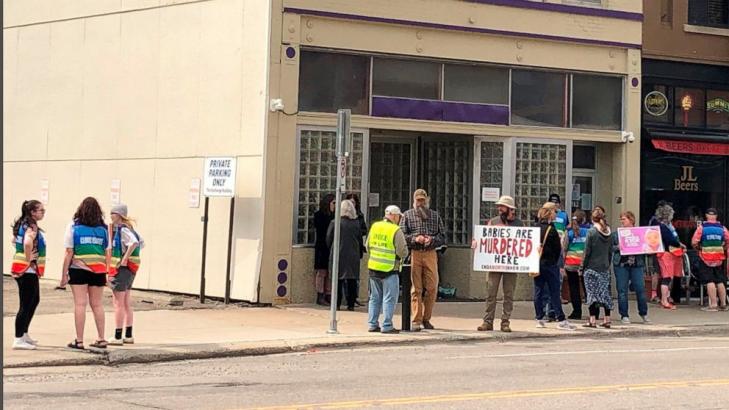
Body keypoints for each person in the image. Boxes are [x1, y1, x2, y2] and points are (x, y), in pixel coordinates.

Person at [60, 197, 111, 350]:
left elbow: (69, 252)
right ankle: (101, 338)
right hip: (98, 270)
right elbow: (107, 251)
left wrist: (63, 275)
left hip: (78, 269)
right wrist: (107, 272)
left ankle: (79, 340)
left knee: (80, 304)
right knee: (97, 304)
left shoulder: (73, 227)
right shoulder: (103, 229)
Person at [474, 196, 523, 333]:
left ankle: (505, 322)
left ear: (510, 209)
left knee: (508, 294)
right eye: (499, 206)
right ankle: (487, 321)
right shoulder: (493, 222)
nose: (499, 208)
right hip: (494, 264)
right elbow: (485, 239)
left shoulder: (519, 224)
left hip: (511, 264)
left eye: (502, 206)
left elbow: (524, 242)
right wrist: (477, 243)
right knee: (491, 292)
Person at [399, 189, 446, 331]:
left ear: (427, 201)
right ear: (414, 201)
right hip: (415, 252)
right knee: (416, 288)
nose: (421, 203)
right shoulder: (407, 215)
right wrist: (415, 239)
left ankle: (427, 318)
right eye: (418, 200)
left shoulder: (435, 216)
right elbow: (401, 235)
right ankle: (416, 319)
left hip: (430, 252)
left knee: (432, 287)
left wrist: (432, 239)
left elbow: (442, 236)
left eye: (423, 200)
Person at [10, 200, 47, 350]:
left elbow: (14, 240)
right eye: (41, 211)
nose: (43, 213)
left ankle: (24, 333)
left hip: (24, 268)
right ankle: (18, 338)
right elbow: (26, 242)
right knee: (26, 304)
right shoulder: (31, 226)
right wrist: (28, 258)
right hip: (27, 269)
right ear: (32, 212)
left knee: (34, 300)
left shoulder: (23, 223)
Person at [533, 202, 575, 330]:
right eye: (555, 212)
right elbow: (558, 249)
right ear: (550, 213)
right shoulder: (552, 230)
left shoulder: (535, 227)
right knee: (555, 291)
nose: (556, 214)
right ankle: (561, 319)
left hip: (537, 263)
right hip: (550, 264)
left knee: (538, 291)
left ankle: (539, 318)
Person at [366, 205, 408, 334]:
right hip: (390, 269)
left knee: (374, 298)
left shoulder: (375, 226)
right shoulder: (396, 230)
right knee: (389, 298)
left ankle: (372, 324)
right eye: (399, 216)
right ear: (395, 216)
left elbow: (367, 246)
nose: (399, 219)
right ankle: (387, 325)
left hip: (374, 267)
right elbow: (402, 251)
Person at [108, 204, 144, 345]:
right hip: (131, 269)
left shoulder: (122, 230)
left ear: (119, 215)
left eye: (113, 213)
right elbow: (141, 242)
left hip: (122, 269)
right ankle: (128, 334)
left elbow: (134, 243)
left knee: (118, 303)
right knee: (126, 302)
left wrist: (124, 258)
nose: (110, 216)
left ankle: (117, 336)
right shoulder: (130, 229)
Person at [612, 211, 650, 324]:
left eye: (624, 219)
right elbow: (610, 247)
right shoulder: (616, 234)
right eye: (621, 219)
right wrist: (617, 247)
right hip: (621, 265)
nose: (622, 221)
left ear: (631, 220)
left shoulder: (640, 233)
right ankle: (624, 315)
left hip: (636, 264)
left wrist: (647, 247)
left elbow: (647, 247)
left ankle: (643, 313)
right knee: (622, 290)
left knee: (640, 289)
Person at [581, 207, 614, 328]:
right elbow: (610, 251)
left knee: (592, 294)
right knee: (605, 293)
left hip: (591, 268)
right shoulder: (609, 232)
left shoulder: (591, 232)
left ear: (592, 219)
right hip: (604, 267)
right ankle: (607, 319)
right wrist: (607, 264)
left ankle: (592, 320)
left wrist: (581, 267)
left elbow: (587, 252)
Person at [326, 199, 361, 311]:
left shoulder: (335, 222)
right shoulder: (356, 223)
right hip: (353, 254)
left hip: (338, 253)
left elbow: (328, 238)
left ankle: (336, 304)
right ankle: (351, 304)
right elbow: (360, 239)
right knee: (352, 280)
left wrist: (332, 248)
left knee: (337, 281)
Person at [691, 208, 729, 312]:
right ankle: (724, 304)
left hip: (706, 257)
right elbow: (727, 240)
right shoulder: (722, 228)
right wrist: (723, 248)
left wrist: (699, 248)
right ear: (716, 216)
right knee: (720, 280)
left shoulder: (701, 228)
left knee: (709, 280)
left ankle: (713, 305)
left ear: (706, 216)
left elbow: (694, 242)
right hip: (719, 258)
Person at [655, 204, 685, 310]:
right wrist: (679, 244)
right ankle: (664, 300)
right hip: (666, 254)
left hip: (671, 253)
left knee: (669, 277)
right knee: (666, 277)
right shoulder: (663, 227)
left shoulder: (667, 226)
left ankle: (667, 298)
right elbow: (670, 240)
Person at [563, 210, 589, 320]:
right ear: (583, 219)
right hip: (584, 263)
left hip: (571, 263)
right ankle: (594, 312)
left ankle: (576, 312)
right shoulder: (588, 232)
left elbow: (564, 248)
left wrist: (563, 263)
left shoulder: (569, 233)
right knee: (587, 287)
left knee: (574, 289)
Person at [346, 193, 368, 307]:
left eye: (353, 202)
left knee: (354, 276)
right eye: (349, 202)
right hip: (344, 249)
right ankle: (345, 298)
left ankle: (354, 298)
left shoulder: (359, 216)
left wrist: (357, 231)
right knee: (343, 277)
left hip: (356, 248)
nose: (351, 205)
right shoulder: (341, 217)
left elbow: (364, 230)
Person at [314, 194, 335, 305]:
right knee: (321, 271)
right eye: (333, 203)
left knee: (330, 271)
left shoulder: (335, 216)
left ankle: (328, 293)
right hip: (322, 246)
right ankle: (320, 294)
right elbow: (321, 230)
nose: (335, 206)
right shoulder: (319, 215)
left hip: (331, 246)